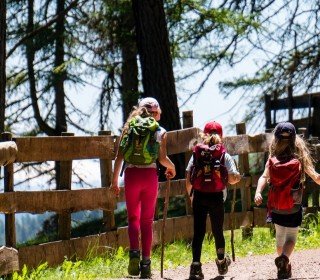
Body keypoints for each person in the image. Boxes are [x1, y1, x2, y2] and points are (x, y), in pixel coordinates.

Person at [111, 97, 176, 279]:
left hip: (131, 176)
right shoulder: (160, 131)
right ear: (158, 113)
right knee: (147, 221)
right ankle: (146, 264)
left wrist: (114, 181)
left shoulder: (129, 127)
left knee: (133, 219)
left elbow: (119, 157)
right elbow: (162, 159)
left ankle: (133, 254)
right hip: (149, 177)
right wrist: (172, 168)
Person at [254, 122, 320, 279]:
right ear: (294, 140)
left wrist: (258, 192)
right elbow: (316, 177)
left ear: (275, 140)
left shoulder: (272, 159)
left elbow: (264, 177)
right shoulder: (299, 159)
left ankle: (283, 265)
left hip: (276, 206)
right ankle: (284, 259)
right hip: (294, 206)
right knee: (291, 237)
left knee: (280, 237)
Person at [185, 121, 241, 280]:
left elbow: (188, 178)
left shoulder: (197, 154)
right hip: (217, 197)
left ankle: (195, 266)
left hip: (199, 196)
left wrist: (191, 196)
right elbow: (231, 178)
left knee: (198, 232)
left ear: (204, 135)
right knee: (217, 231)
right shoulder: (224, 154)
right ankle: (222, 262)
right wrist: (237, 178)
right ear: (221, 136)